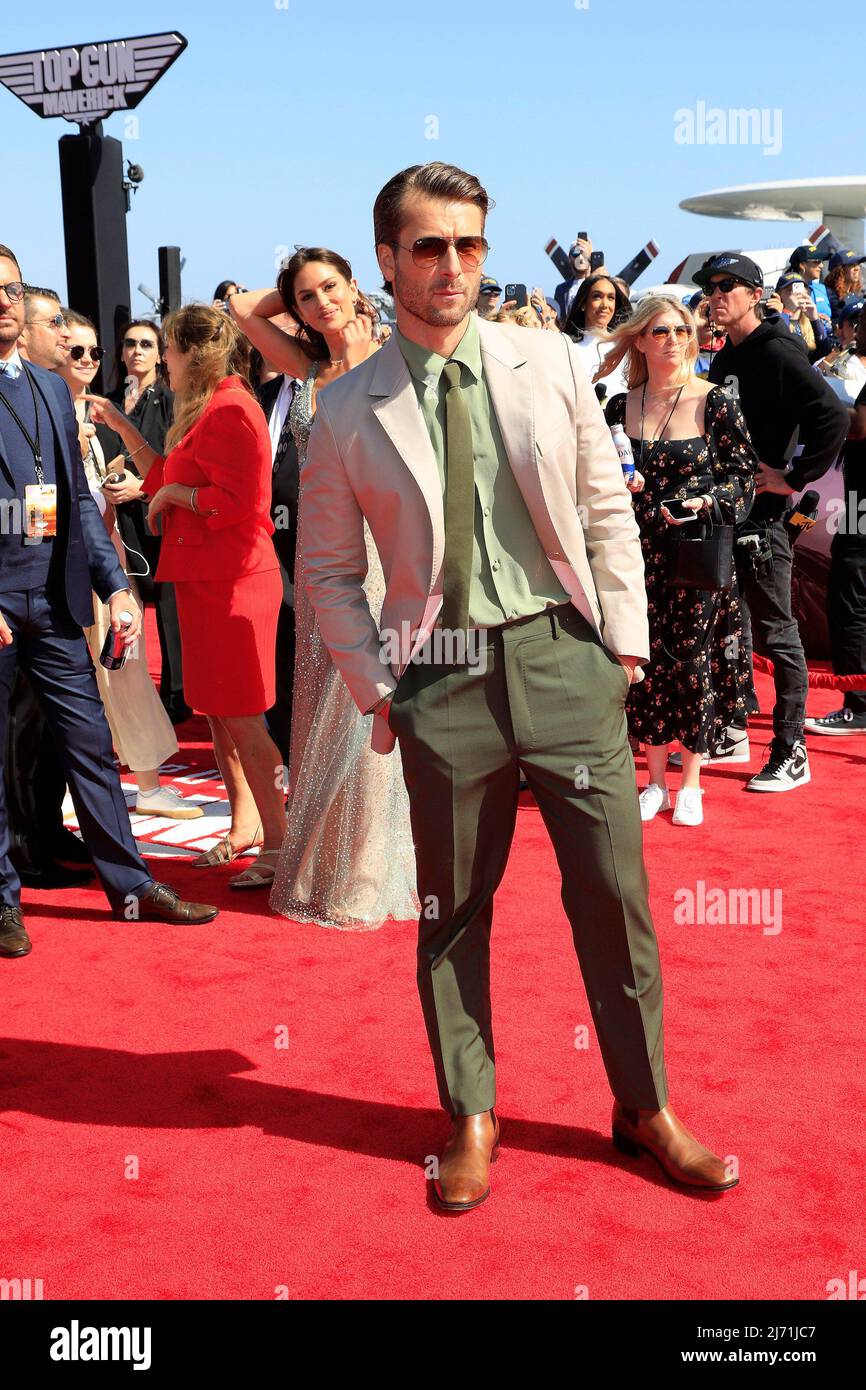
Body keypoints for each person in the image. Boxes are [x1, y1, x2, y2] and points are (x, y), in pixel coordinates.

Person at [299, 160, 738, 1210]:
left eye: (470, 245)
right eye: (429, 247)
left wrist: (620, 648)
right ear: (387, 260)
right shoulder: (345, 408)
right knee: (450, 911)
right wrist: (376, 687)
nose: (453, 266)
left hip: (561, 656)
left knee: (614, 898)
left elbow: (599, 512)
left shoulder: (545, 361)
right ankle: (470, 1114)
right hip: (438, 674)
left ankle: (643, 1109)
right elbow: (323, 568)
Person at [0, 244, 218, 958]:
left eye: (11, 289)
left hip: (57, 601)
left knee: (91, 746)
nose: (4, 301)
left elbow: (78, 509)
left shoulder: (48, 389)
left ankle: (130, 886)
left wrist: (117, 587)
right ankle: (3, 900)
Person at [229, 250, 418, 929]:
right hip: (318, 555)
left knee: (367, 704)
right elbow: (244, 309)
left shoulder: (399, 356)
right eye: (306, 297)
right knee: (320, 703)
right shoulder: (306, 369)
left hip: (378, 550)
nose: (319, 304)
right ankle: (327, 859)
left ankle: (364, 870)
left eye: (329, 288)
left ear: (355, 285)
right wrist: (293, 294)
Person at [86, 304, 286, 889]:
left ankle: (281, 841)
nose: (158, 361)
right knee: (219, 714)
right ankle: (246, 825)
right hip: (204, 581)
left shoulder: (230, 409)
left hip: (234, 582)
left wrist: (176, 494)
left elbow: (239, 503)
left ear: (189, 354)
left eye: (165, 350)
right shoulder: (204, 410)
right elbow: (163, 474)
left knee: (245, 719)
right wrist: (125, 430)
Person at [601, 297, 757, 825]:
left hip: (697, 554)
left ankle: (691, 781)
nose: (673, 338)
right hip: (633, 553)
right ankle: (654, 780)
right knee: (641, 662)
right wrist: (619, 483)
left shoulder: (717, 402)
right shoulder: (619, 406)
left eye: (682, 329)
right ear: (640, 339)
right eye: (660, 330)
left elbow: (743, 478)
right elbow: (594, 476)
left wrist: (707, 501)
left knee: (691, 662)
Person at [699, 252, 850, 789]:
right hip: (728, 514)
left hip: (766, 521)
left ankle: (792, 748)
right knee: (728, 622)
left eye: (727, 286)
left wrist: (794, 476)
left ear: (755, 294)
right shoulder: (725, 356)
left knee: (777, 632)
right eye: (710, 287)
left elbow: (834, 414)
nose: (716, 295)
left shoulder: (779, 351)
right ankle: (733, 729)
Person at [56, 311, 202, 821]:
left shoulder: (100, 425)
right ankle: (67, 791)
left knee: (127, 670)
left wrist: (123, 493)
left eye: (95, 352)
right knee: (74, 683)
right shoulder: (42, 419)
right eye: (77, 351)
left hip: (111, 569)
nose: (89, 361)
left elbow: (115, 488)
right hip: (61, 573)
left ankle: (146, 781)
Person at [105, 320, 188, 725]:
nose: (136, 350)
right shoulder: (105, 403)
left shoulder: (172, 401)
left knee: (171, 610)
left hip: (161, 516)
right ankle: (124, 704)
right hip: (116, 524)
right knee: (122, 608)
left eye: (146, 344)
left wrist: (141, 487)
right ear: (120, 353)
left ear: (159, 353)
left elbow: (178, 463)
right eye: (129, 344)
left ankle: (176, 699)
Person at [806, 318, 866, 736]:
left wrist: (823, 401)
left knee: (852, 598)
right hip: (857, 499)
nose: (856, 332)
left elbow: (860, 427)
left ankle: (858, 706)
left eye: (864, 324)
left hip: (862, 506)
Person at [562, 272, 631, 403]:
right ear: (583, 303)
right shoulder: (567, 347)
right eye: (597, 297)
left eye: (611, 298)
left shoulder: (626, 347)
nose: (605, 304)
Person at [774, 272, 831, 362]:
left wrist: (814, 319)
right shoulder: (776, 319)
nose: (795, 294)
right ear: (779, 295)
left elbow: (825, 353)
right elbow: (781, 348)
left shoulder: (815, 320)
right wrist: (787, 311)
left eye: (799, 289)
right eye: (789, 290)